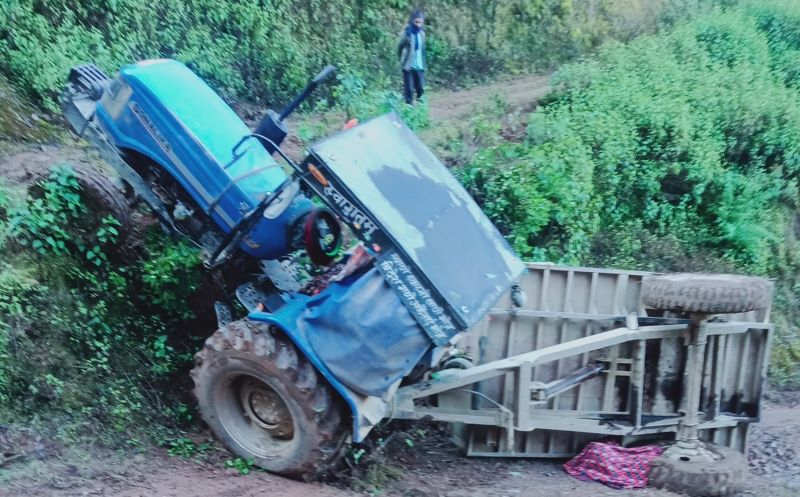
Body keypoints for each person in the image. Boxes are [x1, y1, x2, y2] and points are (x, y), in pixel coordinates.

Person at [397, 9, 426, 105]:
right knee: (409, 91)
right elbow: (399, 47)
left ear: (422, 22)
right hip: (409, 67)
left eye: (420, 22)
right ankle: (409, 112)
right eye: (416, 22)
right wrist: (401, 60)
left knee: (420, 90)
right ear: (413, 21)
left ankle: (421, 112)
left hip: (419, 67)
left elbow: (422, 51)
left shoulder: (422, 34)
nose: (418, 24)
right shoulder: (407, 33)